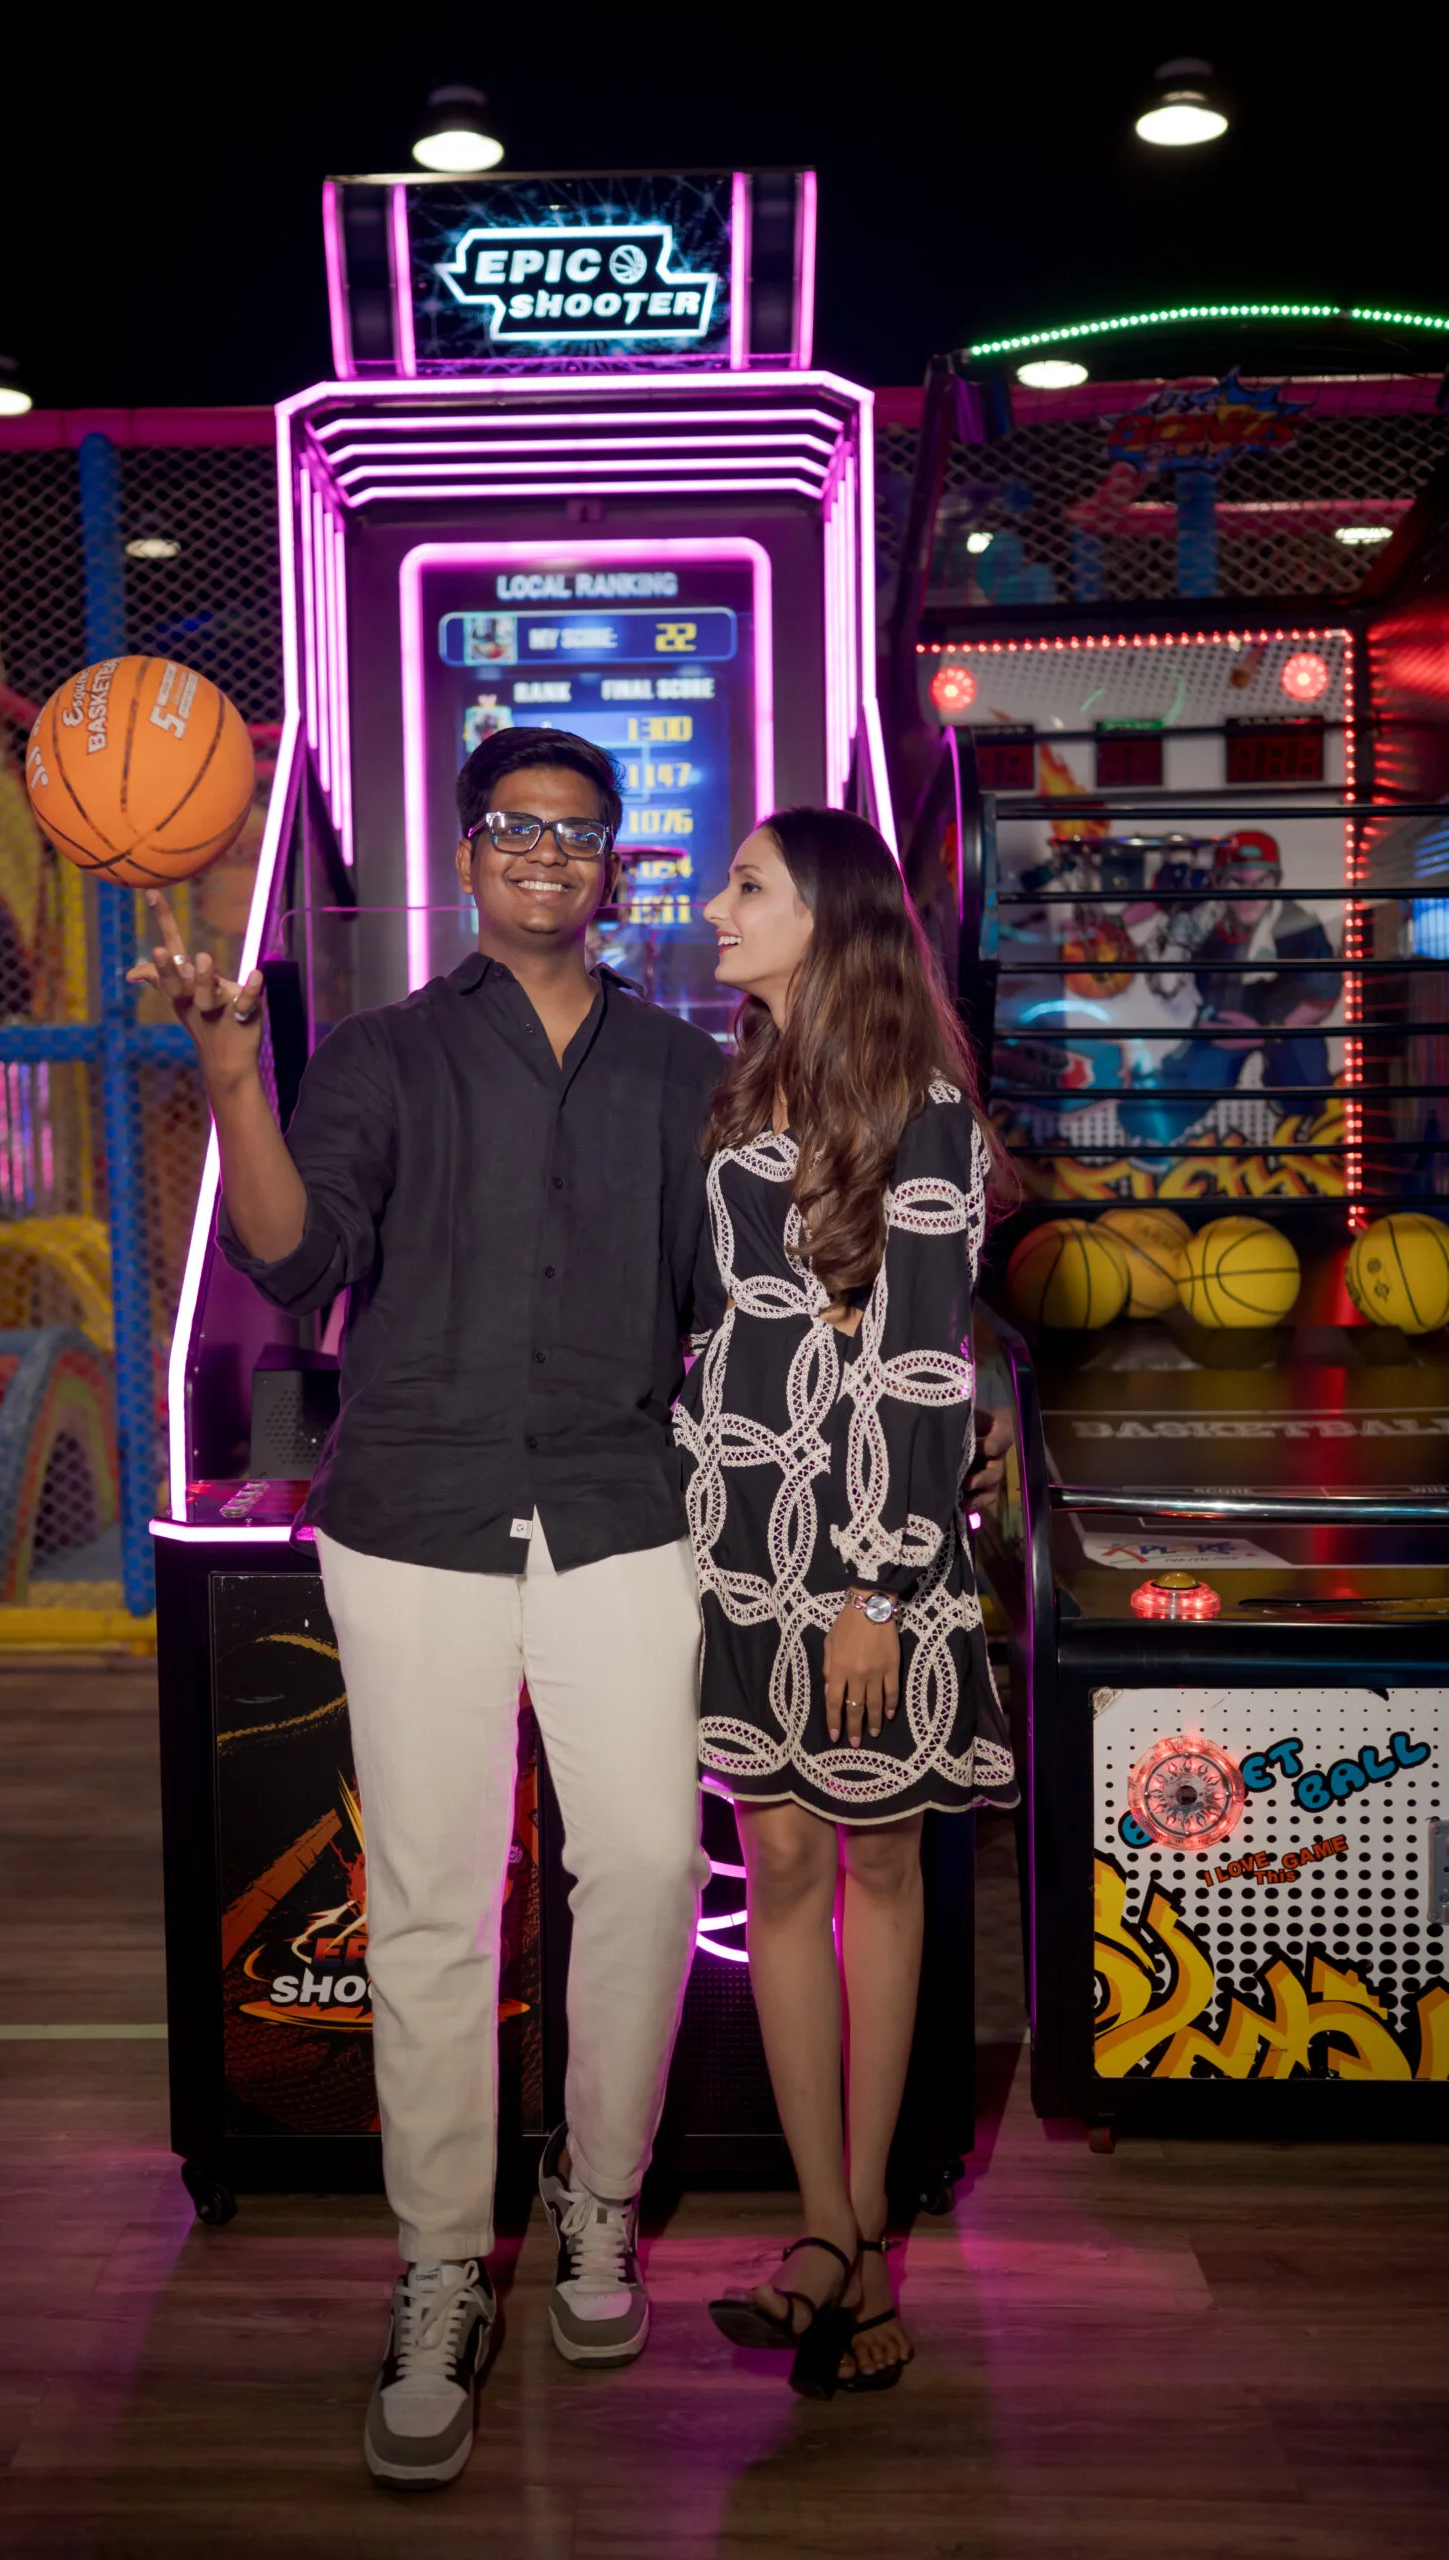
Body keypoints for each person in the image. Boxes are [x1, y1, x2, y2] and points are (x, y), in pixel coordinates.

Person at [130, 740, 1012, 2488]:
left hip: (626, 1514)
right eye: (513, 828)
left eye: (579, 834)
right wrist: (233, 1075)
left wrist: (954, 1394)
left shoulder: (696, 1076)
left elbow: (783, 1292)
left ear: (615, 866)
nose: (546, 853)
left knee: (656, 1870)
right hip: (416, 1516)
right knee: (430, 1906)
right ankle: (440, 2271)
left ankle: (597, 2199)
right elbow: (294, 1259)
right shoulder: (379, 1055)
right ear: (468, 855)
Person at [674, 805, 1020, 2400]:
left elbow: (919, 1359)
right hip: (738, 1533)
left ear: (829, 916)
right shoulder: (733, 1090)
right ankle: (825, 2225)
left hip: (874, 1546)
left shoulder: (919, 1106)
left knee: (876, 1866)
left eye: (747, 885)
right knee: (779, 1866)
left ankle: (865, 2232)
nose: (715, 903)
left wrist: (877, 1580)